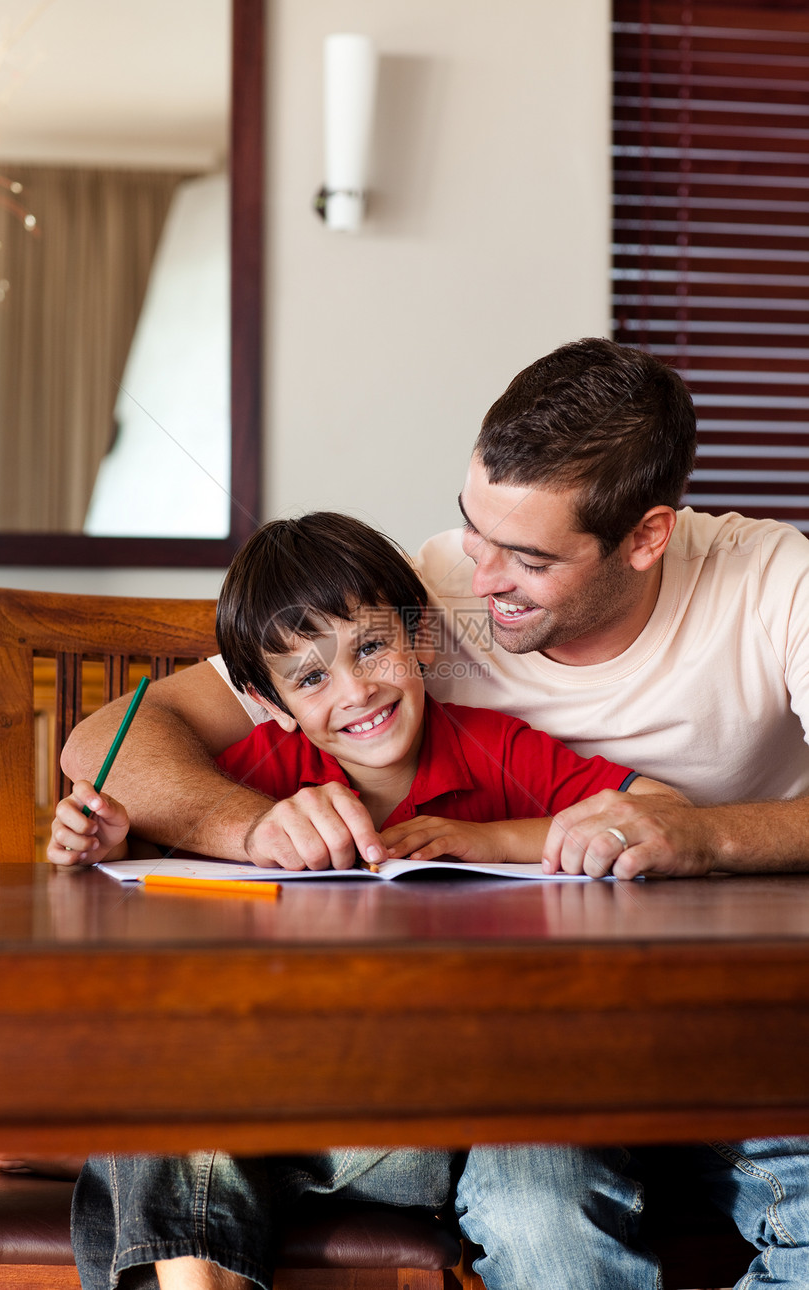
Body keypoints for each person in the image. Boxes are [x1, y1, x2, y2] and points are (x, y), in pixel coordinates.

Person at [52, 337, 809, 1288]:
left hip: (723, 1015)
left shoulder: (773, 580)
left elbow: (632, 811)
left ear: (647, 537)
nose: (479, 574)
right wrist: (243, 829)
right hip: (499, 1054)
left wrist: (699, 832)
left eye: (526, 557)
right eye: (472, 526)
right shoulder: (416, 601)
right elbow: (110, 745)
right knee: (179, 1074)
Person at [62, 510, 679, 1290]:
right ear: (269, 698)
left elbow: (662, 812)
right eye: (312, 676)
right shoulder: (256, 776)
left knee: (163, 1131)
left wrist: (497, 839)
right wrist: (100, 844)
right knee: (166, 1097)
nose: (356, 691)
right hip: (300, 1124)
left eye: (373, 647)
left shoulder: (499, 751)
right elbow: (143, 883)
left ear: (420, 636)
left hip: (439, 1123)